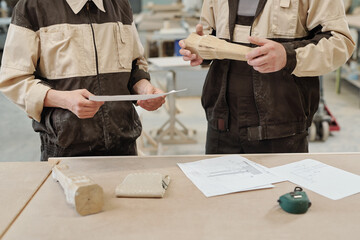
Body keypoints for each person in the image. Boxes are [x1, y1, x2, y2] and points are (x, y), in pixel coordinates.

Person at [179, 0, 355, 154]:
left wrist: (289, 56)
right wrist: (202, 50)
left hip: (282, 125)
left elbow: (340, 42)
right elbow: (210, 32)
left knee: (281, 191)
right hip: (221, 123)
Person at [0, 0, 165, 161]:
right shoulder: (32, 6)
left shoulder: (120, 5)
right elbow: (13, 79)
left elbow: (134, 63)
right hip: (65, 148)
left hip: (124, 145)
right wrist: (65, 100)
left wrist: (144, 89)